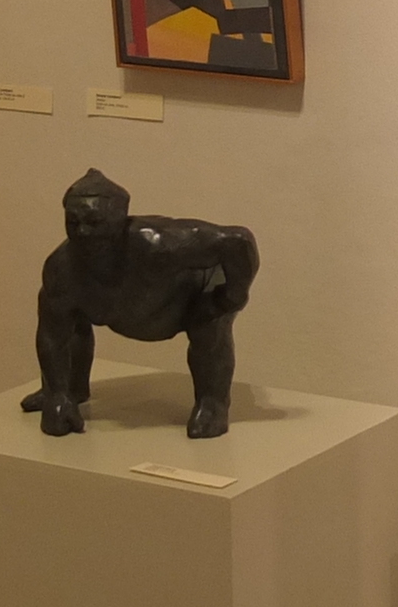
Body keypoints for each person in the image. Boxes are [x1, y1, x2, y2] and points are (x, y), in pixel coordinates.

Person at [23, 169, 260, 439]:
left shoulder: (159, 244)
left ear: (119, 220)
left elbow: (238, 242)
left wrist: (233, 296)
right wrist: (57, 394)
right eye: (73, 222)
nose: (83, 232)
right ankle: (69, 390)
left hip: (189, 294)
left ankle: (212, 402)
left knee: (209, 324)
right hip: (129, 311)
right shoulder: (61, 268)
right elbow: (52, 334)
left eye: (94, 222)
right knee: (66, 312)